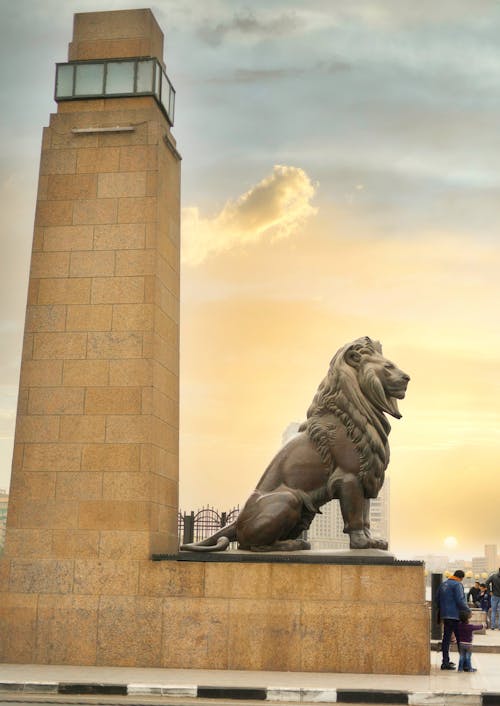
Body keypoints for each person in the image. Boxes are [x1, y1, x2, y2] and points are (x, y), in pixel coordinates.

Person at [436, 569, 471, 670]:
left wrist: (443, 610)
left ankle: (445, 662)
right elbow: (460, 600)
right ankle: (464, 664)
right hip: (455, 616)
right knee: (461, 639)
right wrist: (467, 610)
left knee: (446, 639)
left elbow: (437, 598)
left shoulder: (444, 584)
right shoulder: (457, 585)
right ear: (461, 578)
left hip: (445, 615)